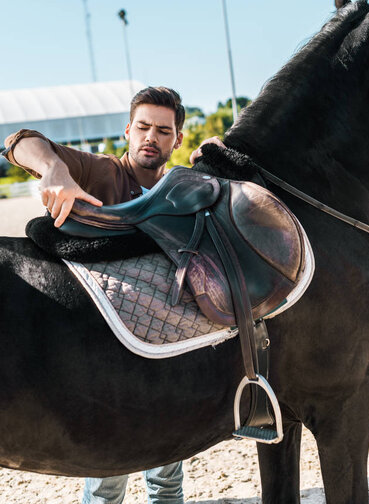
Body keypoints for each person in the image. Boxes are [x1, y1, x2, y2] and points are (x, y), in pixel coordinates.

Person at [2, 86, 222, 504]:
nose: (150, 138)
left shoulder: (182, 189)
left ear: (177, 139)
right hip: (105, 359)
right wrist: (54, 169)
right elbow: (20, 142)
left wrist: (219, 155)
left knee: (167, 478)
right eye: (142, 127)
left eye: (162, 130)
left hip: (167, 353)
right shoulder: (100, 170)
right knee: (107, 480)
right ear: (127, 131)